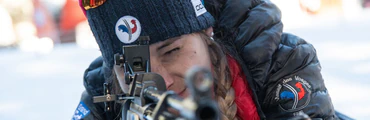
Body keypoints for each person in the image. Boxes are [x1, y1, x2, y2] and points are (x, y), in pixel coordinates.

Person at [72, 0, 338, 119]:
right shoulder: (102, 93)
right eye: (134, 65)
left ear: (206, 33)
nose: (160, 80)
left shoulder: (277, 63)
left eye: (171, 51)